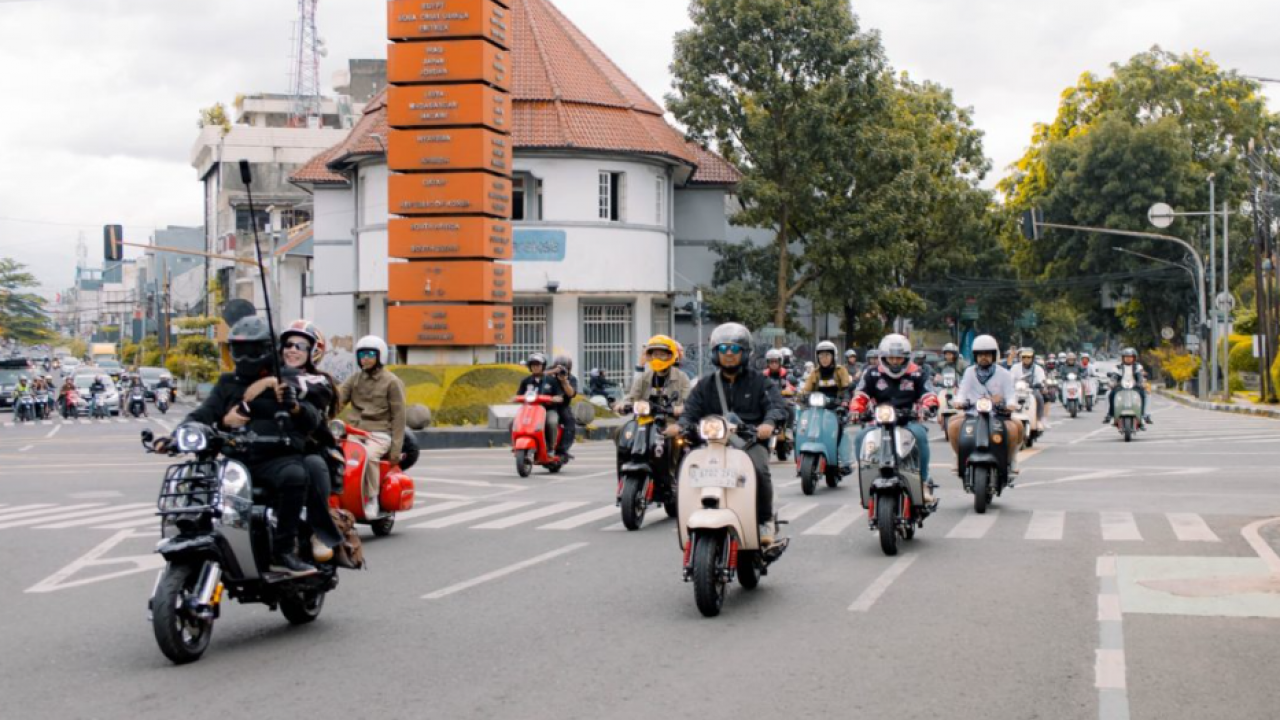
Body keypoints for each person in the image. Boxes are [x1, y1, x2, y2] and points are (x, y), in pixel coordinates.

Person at [155, 316, 320, 574]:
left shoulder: (290, 380)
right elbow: (202, 414)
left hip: (276, 460)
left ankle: (284, 551)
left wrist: (294, 405)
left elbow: (313, 419)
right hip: (236, 460)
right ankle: (192, 530)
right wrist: (176, 436)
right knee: (197, 477)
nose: (245, 356)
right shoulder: (227, 383)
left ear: (268, 350)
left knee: (294, 475)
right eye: (240, 349)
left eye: (252, 350)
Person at [674, 323, 787, 544]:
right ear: (715, 353)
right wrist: (682, 426)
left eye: (734, 349)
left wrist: (768, 423)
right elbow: (690, 411)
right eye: (723, 349)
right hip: (712, 444)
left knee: (760, 469)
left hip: (749, 442)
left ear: (744, 353)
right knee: (688, 468)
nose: (728, 354)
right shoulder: (705, 385)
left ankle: (765, 520)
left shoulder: (760, 382)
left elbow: (777, 406)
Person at [279, 320, 344, 564]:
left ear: (313, 351)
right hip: (269, 448)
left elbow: (307, 390)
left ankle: (320, 530)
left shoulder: (320, 382)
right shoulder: (269, 375)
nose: (292, 350)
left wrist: (271, 381)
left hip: (307, 447)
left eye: (300, 346)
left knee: (315, 465)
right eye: (288, 344)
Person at [849, 334, 940, 502]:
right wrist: (856, 409)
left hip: (909, 422)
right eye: (891, 358)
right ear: (883, 358)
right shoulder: (872, 373)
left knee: (920, 436)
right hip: (879, 423)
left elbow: (929, 393)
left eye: (899, 358)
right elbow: (860, 394)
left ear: (906, 358)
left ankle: (923, 482)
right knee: (861, 437)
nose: (895, 362)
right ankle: (866, 480)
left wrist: (929, 406)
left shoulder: (917, 373)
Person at [338, 336, 407, 521]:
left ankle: (372, 498)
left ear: (380, 356)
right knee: (335, 454)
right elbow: (336, 402)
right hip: (353, 432)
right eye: (361, 354)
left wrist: (396, 449)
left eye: (369, 354)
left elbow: (399, 417)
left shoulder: (392, 382)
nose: (364, 359)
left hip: (379, 434)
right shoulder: (354, 379)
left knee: (367, 456)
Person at [947, 335, 1024, 474]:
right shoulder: (970, 372)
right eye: (980, 354)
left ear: (994, 355)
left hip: (998, 414)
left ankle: (1012, 458)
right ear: (975, 356)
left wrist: (1011, 404)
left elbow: (1010, 394)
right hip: (973, 413)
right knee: (952, 425)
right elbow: (963, 391)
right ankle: (958, 456)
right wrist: (959, 402)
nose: (984, 357)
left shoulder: (1004, 374)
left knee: (1017, 427)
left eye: (987, 354)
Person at [619, 335, 693, 478]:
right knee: (620, 432)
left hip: (670, 420)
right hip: (645, 420)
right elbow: (631, 397)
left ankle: (673, 474)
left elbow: (689, 402)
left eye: (662, 354)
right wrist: (623, 405)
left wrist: (679, 409)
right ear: (649, 356)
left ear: (670, 355)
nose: (658, 358)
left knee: (676, 437)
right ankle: (623, 473)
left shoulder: (682, 377)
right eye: (654, 354)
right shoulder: (644, 377)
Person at [802, 340, 855, 473]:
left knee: (842, 429)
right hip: (818, 408)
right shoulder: (815, 373)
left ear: (833, 356)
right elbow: (805, 390)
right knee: (804, 425)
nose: (824, 359)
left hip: (837, 407)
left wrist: (844, 402)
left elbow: (846, 389)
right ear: (817, 357)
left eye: (827, 355)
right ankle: (801, 458)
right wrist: (800, 397)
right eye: (821, 356)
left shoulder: (840, 370)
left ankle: (845, 461)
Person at [514, 353, 566, 457]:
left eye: (538, 365)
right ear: (530, 367)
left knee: (551, 422)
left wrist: (555, 398)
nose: (535, 367)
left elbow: (560, 396)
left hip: (548, 410)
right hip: (529, 411)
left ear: (543, 366)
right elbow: (519, 395)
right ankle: (515, 445)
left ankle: (551, 448)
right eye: (533, 365)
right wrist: (515, 399)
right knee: (513, 423)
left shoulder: (552, 381)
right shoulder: (526, 381)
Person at [1104, 347, 1153, 425]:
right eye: (1126, 357)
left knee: (1145, 393)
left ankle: (1145, 415)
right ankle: (1109, 414)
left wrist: (1142, 383)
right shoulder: (1117, 367)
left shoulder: (1138, 367)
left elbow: (1140, 376)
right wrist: (1112, 382)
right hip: (1120, 386)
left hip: (1135, 386)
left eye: (1130, 357)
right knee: (1109, 393)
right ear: (1123, 358)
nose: (1128, 359)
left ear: (1134, 358)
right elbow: (1114, 376)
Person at [549, 354, 579, 461]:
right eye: (559, 367)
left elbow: (571, 394)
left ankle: (563, 450)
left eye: (564, 368)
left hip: (562, 406)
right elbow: (536, 377)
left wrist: (564, 382)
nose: (561, 370)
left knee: (570, 421)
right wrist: (552, 373)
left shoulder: (571, 378)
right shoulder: (548, 374)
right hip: (546, 405)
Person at [1010, 348, 1048, 424]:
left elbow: (1041, 380)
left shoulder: (1038, 369)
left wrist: (1041, 385)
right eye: (1024, 357)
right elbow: (1010, 378)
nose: (1026, 359)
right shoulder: (1015, 367)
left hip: (1032, 390)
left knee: (1039, 397)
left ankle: (1039, 419)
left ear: (1032, 358)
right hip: (1017, 390)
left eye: (1028, 357)